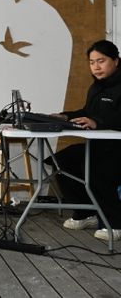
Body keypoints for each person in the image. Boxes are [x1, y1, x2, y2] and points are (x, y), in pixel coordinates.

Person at [47, 39, 121, 242]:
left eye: (101, 61)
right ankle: (87, 213)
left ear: (115, 61)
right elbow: (87, 112)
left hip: (117, 149)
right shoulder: (96, 87)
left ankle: (115, 223)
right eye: (92, 62)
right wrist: (65, 116)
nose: (96, 67)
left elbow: (108, 118)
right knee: (62, 160)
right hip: (100, 146)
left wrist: (98, 122)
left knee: (97, 167)